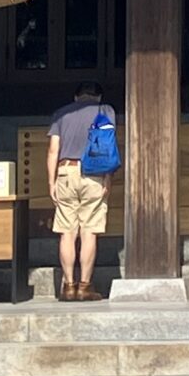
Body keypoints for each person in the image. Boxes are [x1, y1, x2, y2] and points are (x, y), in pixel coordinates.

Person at [44, 81, 116, 301]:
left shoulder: (61, 114)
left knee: (67, 232)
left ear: (76, 97)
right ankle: (85, 286)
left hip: (66, 172)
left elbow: (53, 150)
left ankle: (68, 286)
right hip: (94, 174)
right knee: (89, 231)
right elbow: (108, 146)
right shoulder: (106, 111)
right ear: (98, 97)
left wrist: (51, 182)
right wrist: (108, 178)